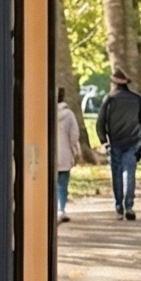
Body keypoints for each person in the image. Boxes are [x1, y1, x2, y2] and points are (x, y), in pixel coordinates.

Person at [96, 67, 141, 219]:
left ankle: (119, 207)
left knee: (117, 175)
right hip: (133, 142)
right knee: (129, 174)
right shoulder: (137, 99)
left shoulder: (110, 99)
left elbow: (100, 123)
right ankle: (129, 206)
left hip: (114, 143)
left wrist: (104, 142)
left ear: (114, 83)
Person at [54, 86, 82, 224]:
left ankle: (50, 208)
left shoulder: (45, 113)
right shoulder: (69, 114)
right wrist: (75, 151)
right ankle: (61, 209)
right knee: (62, 183)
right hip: (64, 153)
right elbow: (74, 135)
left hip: (50, 155)